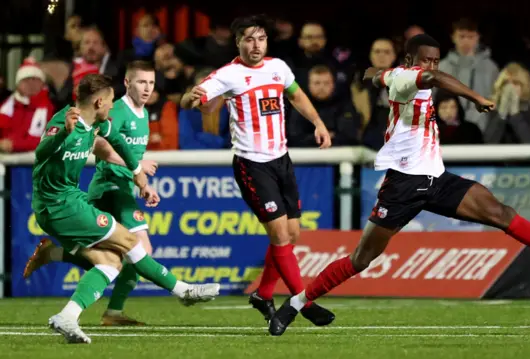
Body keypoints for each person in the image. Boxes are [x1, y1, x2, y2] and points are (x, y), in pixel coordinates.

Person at [267, 34, 530, 336]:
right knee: (362, 258)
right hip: (402, 186)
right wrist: (476, 98)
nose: (432, 67)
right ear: (411, 60)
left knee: (501, 212)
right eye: (427, 61)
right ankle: (297, 303)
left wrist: (374, 75)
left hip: (437, 179)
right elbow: (428, 81)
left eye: (436, 61)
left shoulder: (399, 75)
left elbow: (375, 75)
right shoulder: (409, 78)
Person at [31, 74, 220, 344]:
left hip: (68, 201)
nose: (112, 107)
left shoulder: (96, 122)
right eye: (109, 102)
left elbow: (117, 142)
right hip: (58, 204)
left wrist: (137, 171)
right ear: (98, 102)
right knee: (130, 241)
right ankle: (182, 291)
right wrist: (63, 133)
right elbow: (41, 153)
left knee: (110, 262)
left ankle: (67, 315)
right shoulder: (64, 121)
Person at [180, 15, 335, 326]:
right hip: (252, 164)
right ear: (238, 42)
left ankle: (263, 294)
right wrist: (189, 98)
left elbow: (297, 95)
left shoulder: (278, 68)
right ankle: (303, 302)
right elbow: (191, 99)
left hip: (281, 160)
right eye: (249, 39)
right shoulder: (228, 75)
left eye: (261, 39)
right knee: (279, 235)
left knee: (290, 235)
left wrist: (318, 123)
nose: (255, 45)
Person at [23, 61, 162, 326]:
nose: (147, 88)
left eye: (151, 83)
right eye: (141, 82)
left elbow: (116, 142)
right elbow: (98, 145)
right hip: (102, 189)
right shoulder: (113, 111)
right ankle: (180, 291)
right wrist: (135, 167)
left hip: (111, 189)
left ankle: (61, 263)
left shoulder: (140, 115)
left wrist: (139, 177)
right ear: (127, 84)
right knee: (135, 249)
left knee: (112, 257)